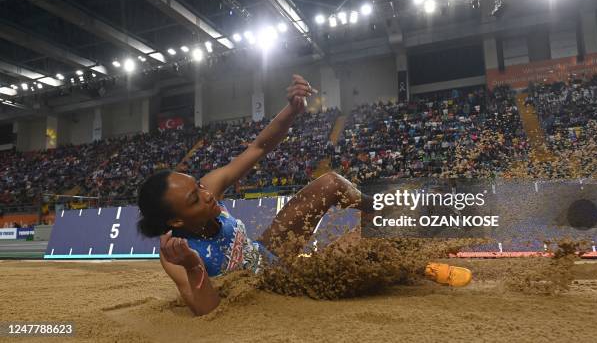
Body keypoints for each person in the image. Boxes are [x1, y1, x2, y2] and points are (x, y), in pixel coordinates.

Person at [137, 74, 471, 316]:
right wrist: (195, 267)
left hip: (271, 252)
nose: (205, 194)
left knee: (331, 183)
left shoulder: (209, 189)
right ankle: (413, 265)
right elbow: (205, 310)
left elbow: (258, 147)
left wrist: (292, 110)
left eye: (197, 186)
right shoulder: (176, 253)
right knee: (362, 249)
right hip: (274, 286)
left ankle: (384, 219)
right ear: (177, 219)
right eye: (195, 199)